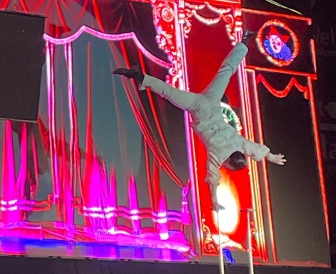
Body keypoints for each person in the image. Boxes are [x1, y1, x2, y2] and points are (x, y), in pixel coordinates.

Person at [113, 31, 286, 211]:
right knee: (168, 92)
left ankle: (243, 42)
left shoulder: (239, 144)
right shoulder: (217, 158)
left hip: (211, 102)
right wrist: (214, 202)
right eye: (228, 167)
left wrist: (272, 157)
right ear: (228, 162)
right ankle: (140, 77)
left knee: (226, 71)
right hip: (198, 108)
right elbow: (213, 181)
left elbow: (256, 149)